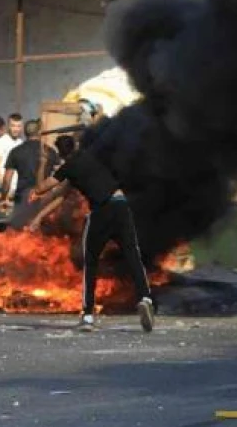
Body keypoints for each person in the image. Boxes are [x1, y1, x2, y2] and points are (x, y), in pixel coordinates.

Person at [33, 135, 156, 333]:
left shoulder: (69, 168)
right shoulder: (91, 157)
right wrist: (39, 217)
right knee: (133, 254)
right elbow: (63, 195)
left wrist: (42, 162)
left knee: (90, 262)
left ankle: (88, 315)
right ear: (76, 146)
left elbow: (40, 189)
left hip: (101, 212)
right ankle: (145, 297)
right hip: (121, 206)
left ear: (61, 155)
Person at [0, 119, 58, 210]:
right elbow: (57, 176)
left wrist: (3, 198)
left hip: (22, 198)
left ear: (24, 132)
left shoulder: (16, 151)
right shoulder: (50, 151)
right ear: (39, 132)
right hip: (44, 198)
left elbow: (7, 180)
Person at [0, 113, 23, 195]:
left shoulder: (21, 143)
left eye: (18, 126)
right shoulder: (1, 142)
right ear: (8, 126)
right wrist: (5, 185)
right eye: (13, 125)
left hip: (17, 188)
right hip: (3, 189)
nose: (16, 129)